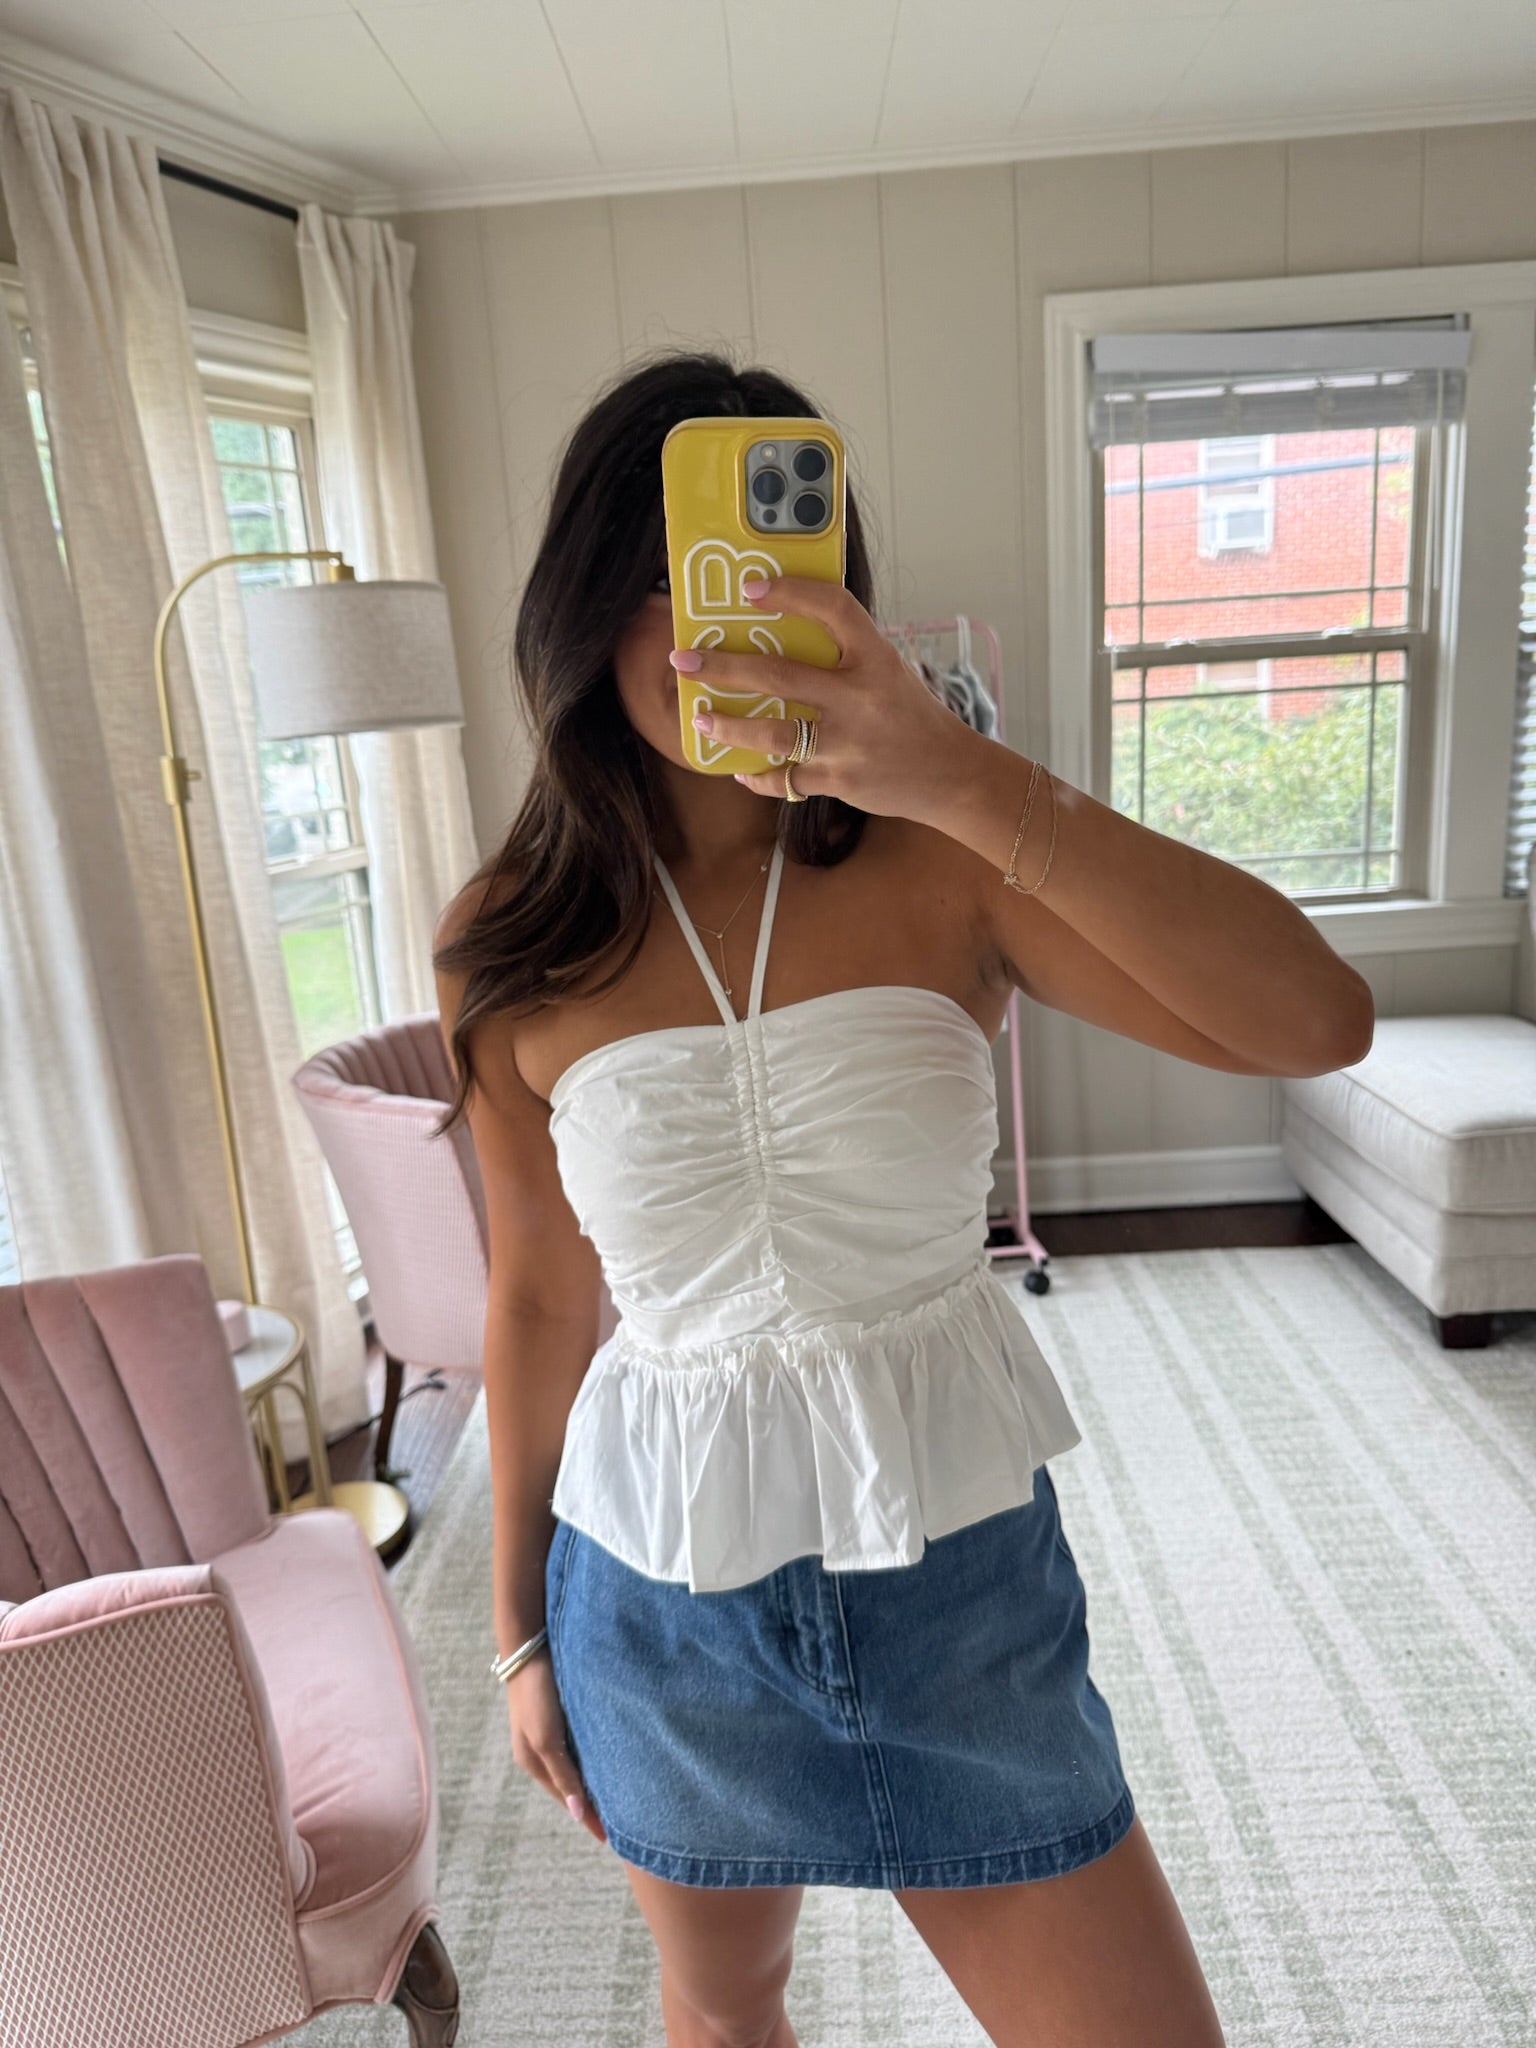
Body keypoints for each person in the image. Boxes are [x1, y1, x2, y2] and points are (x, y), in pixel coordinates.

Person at [432, 350, 1371, 2048]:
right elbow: (541, 1296)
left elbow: (1318, 1020)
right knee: (729, 2021)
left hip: (956, 1596)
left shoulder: (946, 857)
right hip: (661, 1600)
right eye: (663, 583)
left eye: (757, 575)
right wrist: (514, 1631)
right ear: (580, 609)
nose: (709, 630)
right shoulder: (513, 934)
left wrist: (953, 771)